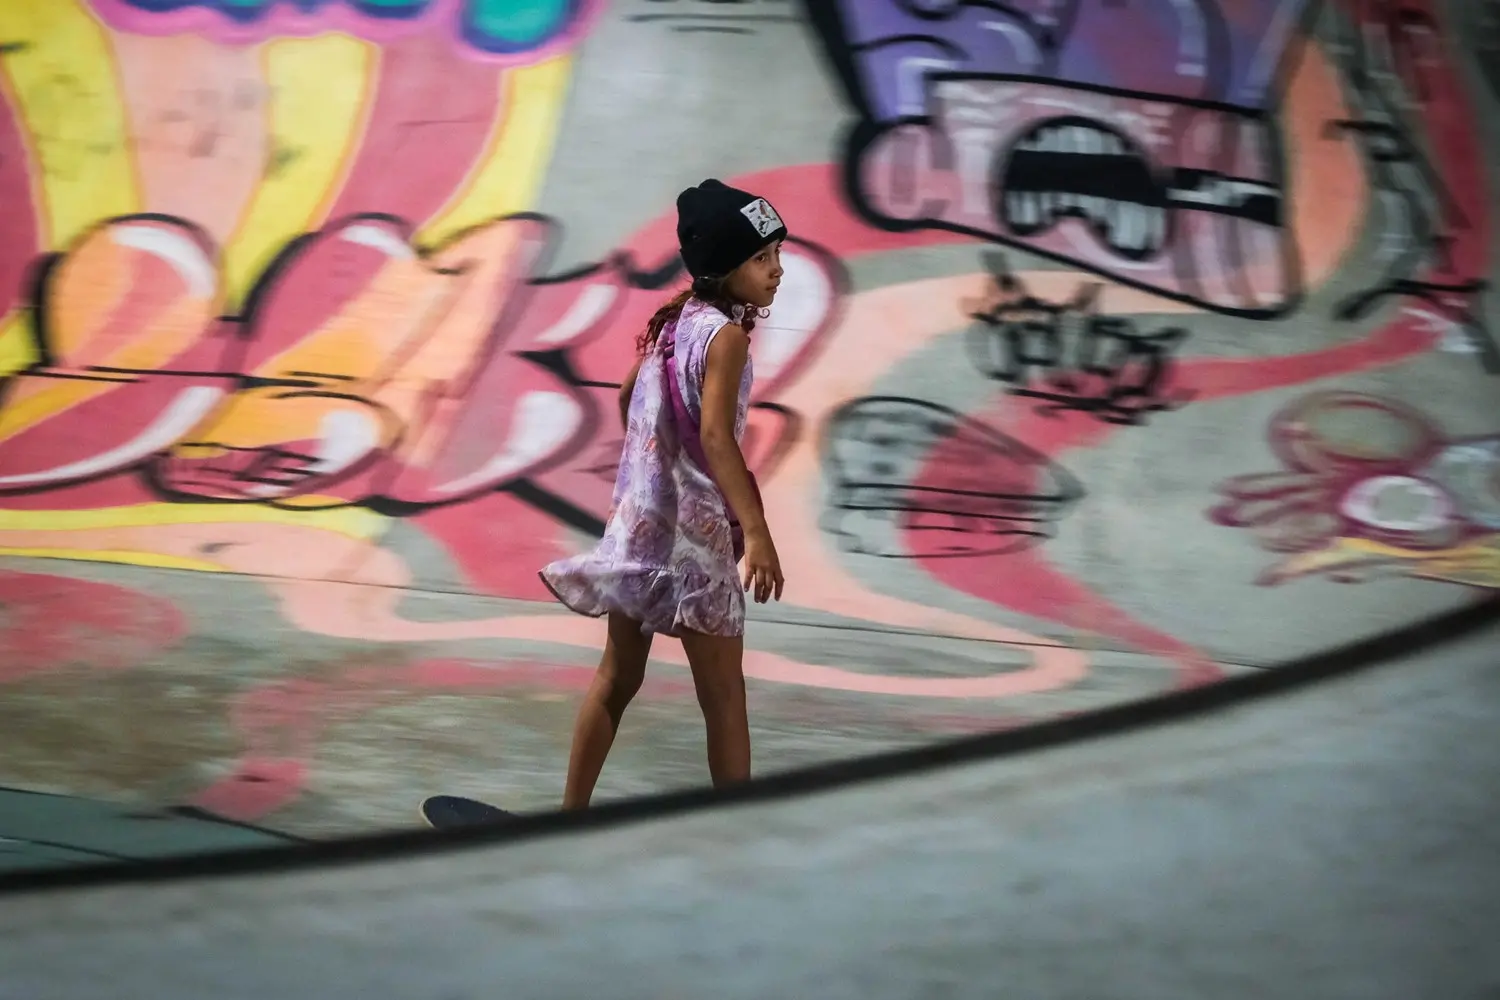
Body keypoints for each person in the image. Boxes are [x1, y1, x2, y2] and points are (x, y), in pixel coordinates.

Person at [539, 179, 788, 809]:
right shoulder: (724, 338)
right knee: (724, 699)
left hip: (642, 528)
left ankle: (569, 818)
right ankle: (736, 839)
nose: (776, 271)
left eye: (777, 254)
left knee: (617, 678)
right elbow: (715, 435)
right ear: (724, 266)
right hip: (695, 546)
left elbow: (628, 400)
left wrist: (653, 463)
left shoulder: (672, 324)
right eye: (761, 259)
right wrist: (755, 531)